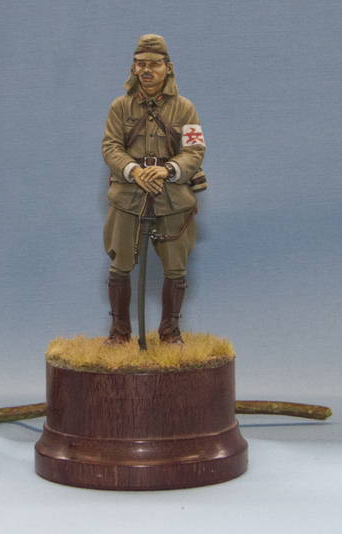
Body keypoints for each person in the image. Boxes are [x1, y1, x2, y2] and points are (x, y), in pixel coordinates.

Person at [101, 34, 206, 346]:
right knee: (120, 263)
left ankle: (170, 333)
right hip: (127, 196)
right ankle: (119, 333)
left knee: (176, 266)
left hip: (171, 196)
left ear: (168, 67)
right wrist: (134, 171)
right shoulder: (119, 107)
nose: (147, 70)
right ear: (134, 68)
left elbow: (195, 151)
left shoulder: (185, 108)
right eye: (140, 64)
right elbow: (110, 146)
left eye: (154, 64)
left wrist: (168, 169)